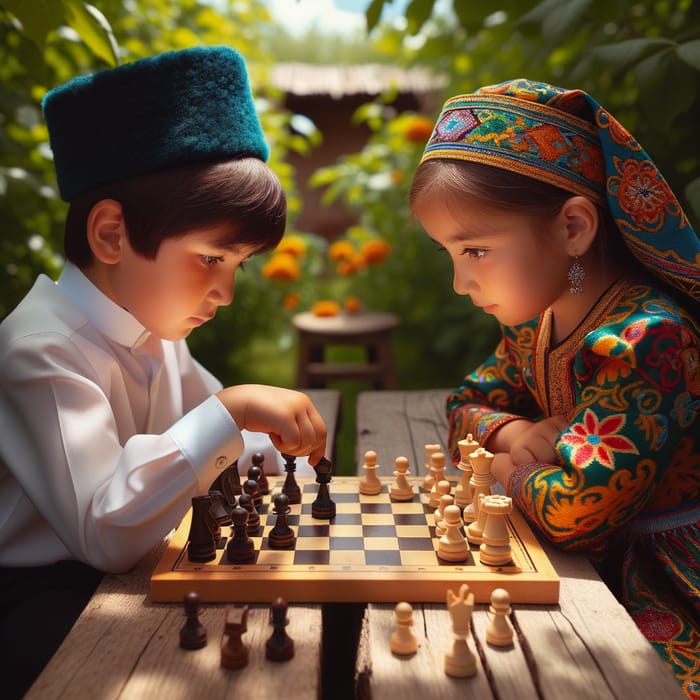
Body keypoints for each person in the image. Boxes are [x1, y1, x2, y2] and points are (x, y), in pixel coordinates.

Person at [0, 46, 327, 697]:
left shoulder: (153, 330)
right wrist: (234, 410)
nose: (226, 293)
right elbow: (104, 528)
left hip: (134, 575)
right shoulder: (36, 350)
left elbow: (216, 441)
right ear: (112, 235)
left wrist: (279, 450)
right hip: (41, 607)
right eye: (211, 259)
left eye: (239, 266)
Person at [409, 79, 699, 696]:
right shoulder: (533, 326)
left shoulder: (647, 339)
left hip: (666, 581)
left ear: (572, 228)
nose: (460, 282)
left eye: (476, 250)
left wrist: (505, 468)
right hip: (581, 569)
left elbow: (575, 512)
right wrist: (515, 429)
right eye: (450, 254)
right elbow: (464, 403)